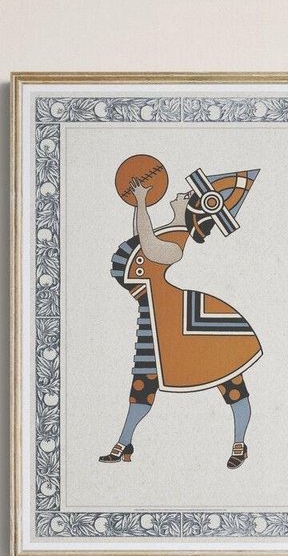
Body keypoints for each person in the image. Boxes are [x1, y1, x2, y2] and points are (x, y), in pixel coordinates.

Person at [101, 167, 261, 469]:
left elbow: (147, 245)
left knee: (230, 380)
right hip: (156, 316)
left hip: (179, 318)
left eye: (187, 195)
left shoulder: (175, 244)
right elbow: (141, 237)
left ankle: (240, 442)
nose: (179, 193)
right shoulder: (166, 232)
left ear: (194, 209)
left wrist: (143, 204)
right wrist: (140, 207)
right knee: (143, 382)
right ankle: (124, 443)